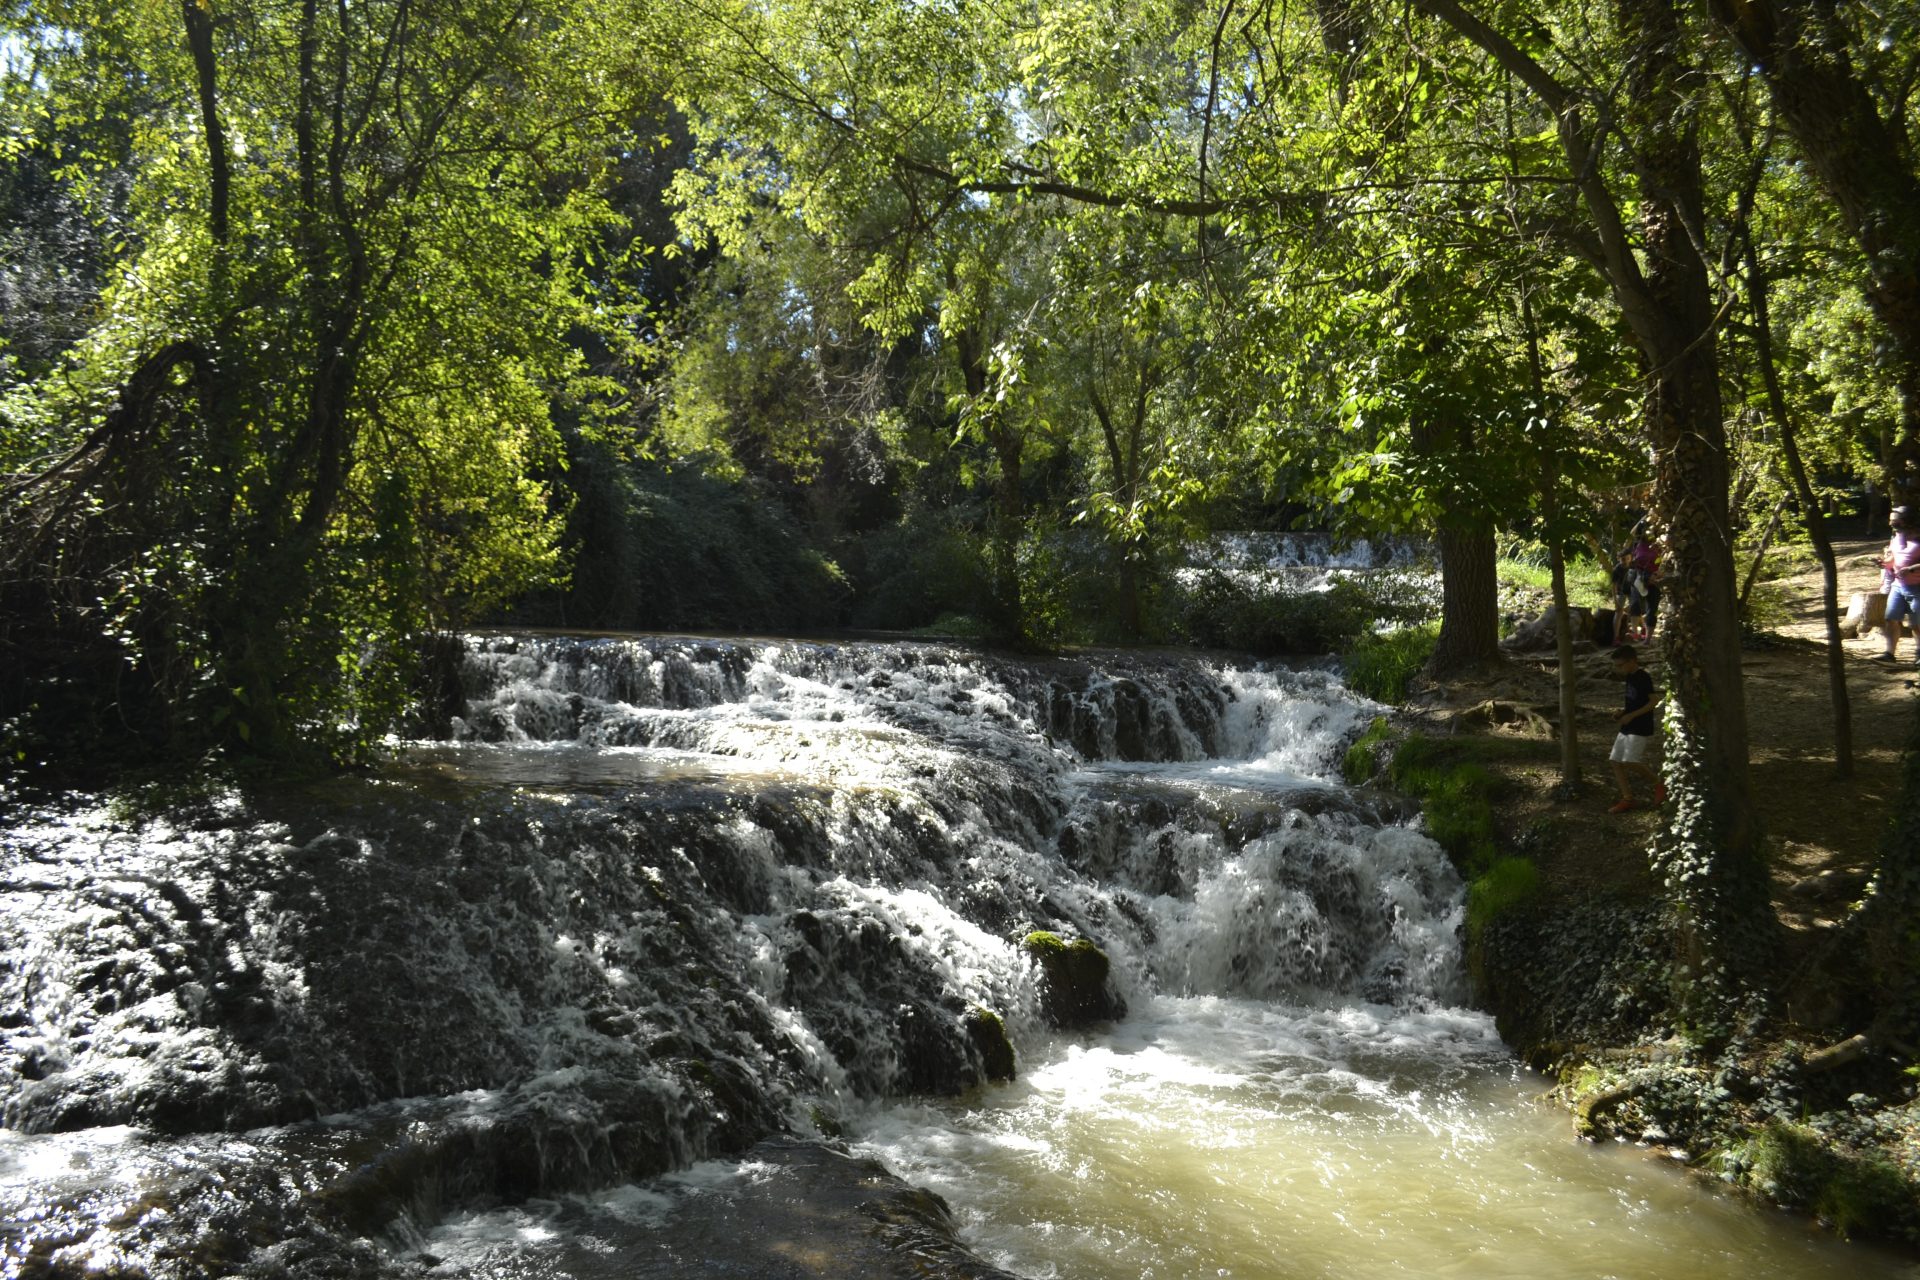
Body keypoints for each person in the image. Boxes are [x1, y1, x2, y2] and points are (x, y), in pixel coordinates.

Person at [1608, 645, 1664, 814]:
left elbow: (1654, 701)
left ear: (1632, 661)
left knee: (1629, 761)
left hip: (1640, 726)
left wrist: (1632, 716)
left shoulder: (1643, 677)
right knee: (1615, 762)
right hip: (1627, 724)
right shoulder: (1629, 678)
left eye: (1620, 665)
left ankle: (1660, 785)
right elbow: (1633, 702)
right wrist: (1622, 712)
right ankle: (1628, 799)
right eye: (1616, 665)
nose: (1618, 669)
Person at [1876, 505, 1920, 663]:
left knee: (1916, 623)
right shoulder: (1896, 537)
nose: (1891, 523)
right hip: (1898, 586)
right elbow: (1893, 560)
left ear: (1906, 520)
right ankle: (1889, 654)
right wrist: (1884, 563)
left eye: (1894, 520)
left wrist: (1911, 569)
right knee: (1891, 619)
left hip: (1917, 588)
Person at [1626, 526, 1661, 639]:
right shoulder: (1637, 544)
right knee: (1635, 605)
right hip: (1638, 578)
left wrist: (1656, 575)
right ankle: (1635, 633)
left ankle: (1648, 639)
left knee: (1652, 608)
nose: (1648, 534)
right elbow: (1627, 549)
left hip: (1654, 579)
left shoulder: (1660, 544)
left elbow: (1664, 562)